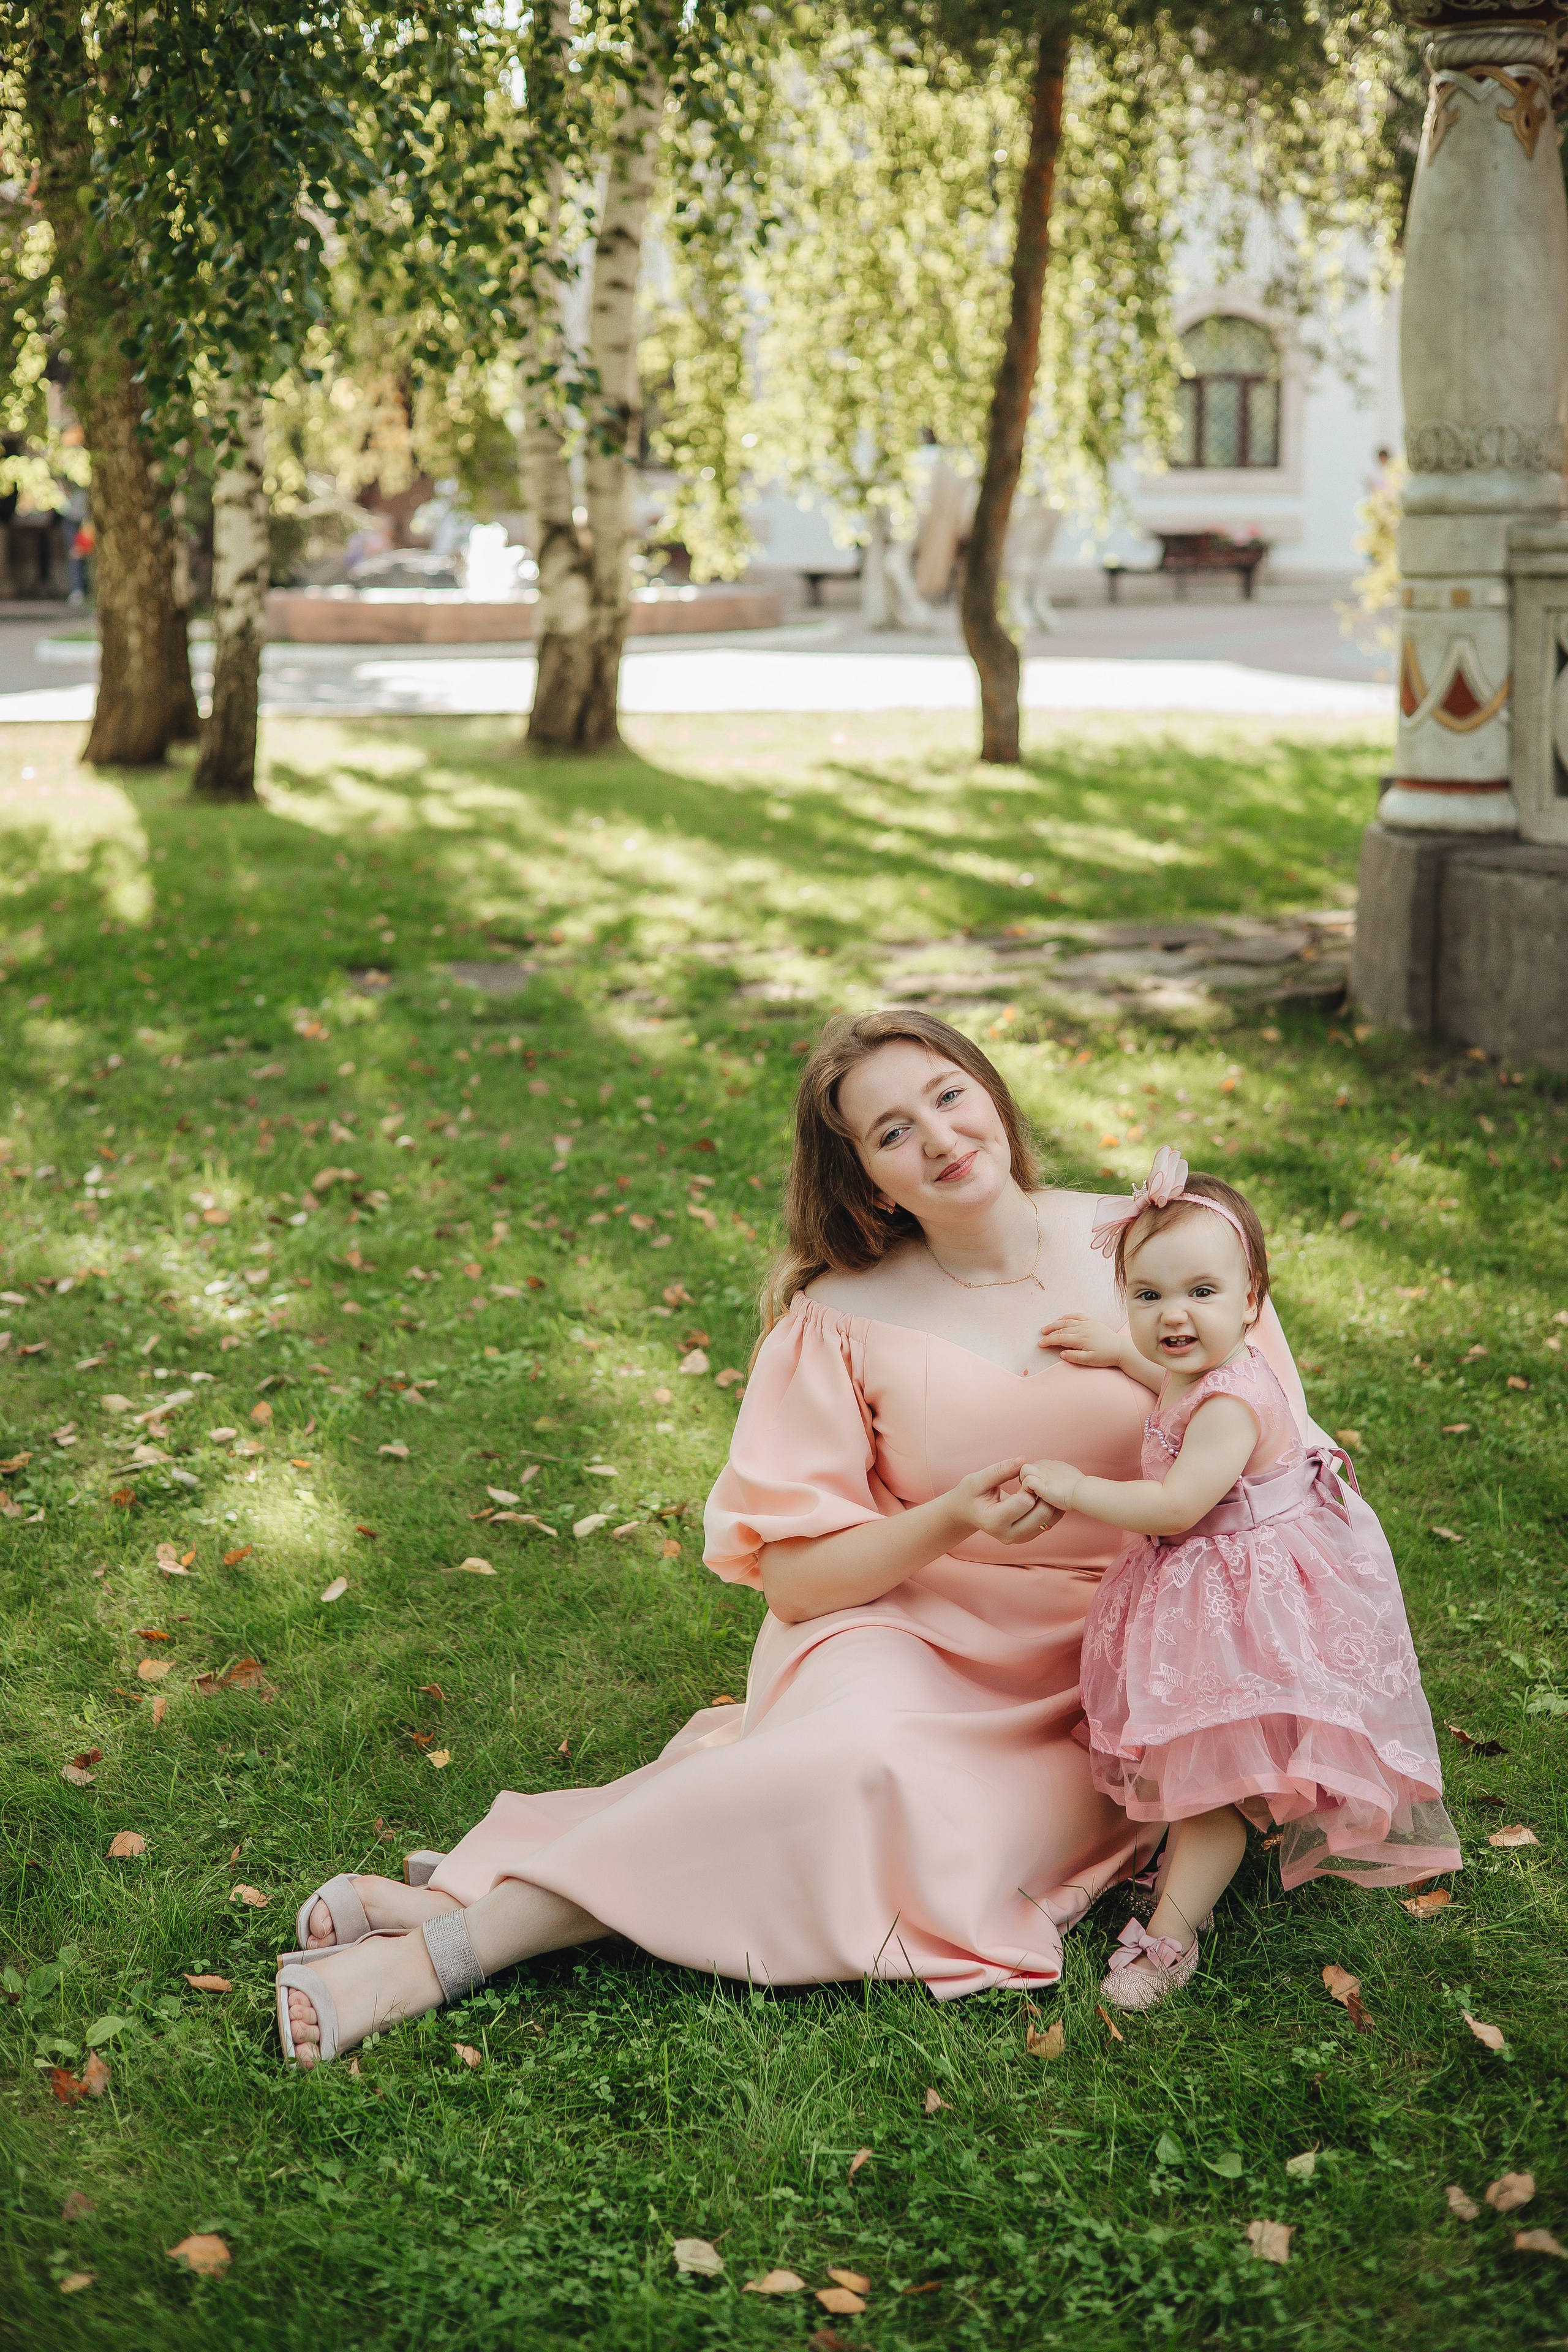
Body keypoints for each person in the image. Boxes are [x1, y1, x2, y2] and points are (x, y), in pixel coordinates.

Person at [277, 1014, 1322, 2067]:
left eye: (949, 1096)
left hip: (1128, 1656)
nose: (941, 1138)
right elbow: (797, 1582)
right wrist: (952, 1513)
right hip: (905, 1623)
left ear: (993, 1097)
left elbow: (1281, 1457)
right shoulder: (837, 1316)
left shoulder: (1164, 1245)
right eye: (892, 1131)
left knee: (911, 1810)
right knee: (853, 1757)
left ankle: (490, 1903)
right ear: (867, 1180)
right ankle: (446, 1956)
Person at [1019, 1147, 1460, 2013]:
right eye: (1148, 1297)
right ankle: (1183, 1883)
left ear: (1252, 1300)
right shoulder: (1199, 1370)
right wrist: (1119, 1350)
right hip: (1215, 1587)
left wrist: (1074, 1488)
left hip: (1246, 1601)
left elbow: (1179, 1505)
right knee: (1201, 1770)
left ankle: (1173, 1940)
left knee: (1216, 1781)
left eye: (1201, 1293)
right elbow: (1171, 1373)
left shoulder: (1230, 1404)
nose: (1173, 1317)